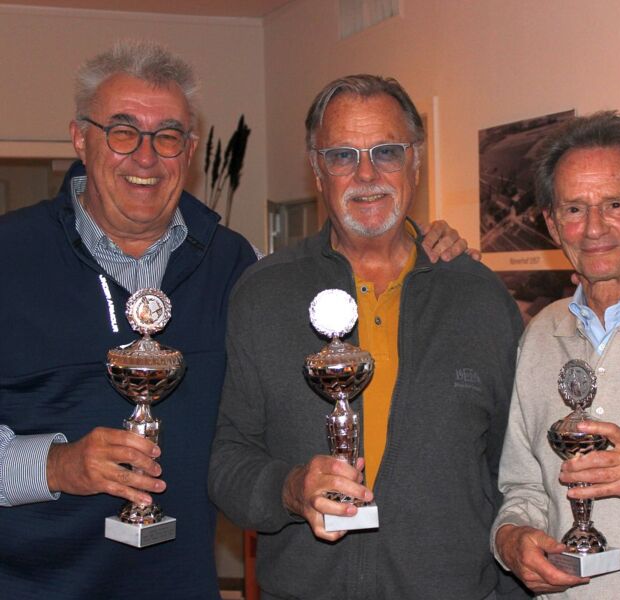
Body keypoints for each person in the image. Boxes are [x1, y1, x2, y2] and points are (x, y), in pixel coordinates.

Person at [0, 43, 471, 599]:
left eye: (167, 136)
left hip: (182, 585)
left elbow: (249, 432)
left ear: (190, 150)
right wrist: (54, 465)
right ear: (81, 138)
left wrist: (426, 244)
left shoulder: (235, 266)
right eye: (123, 132)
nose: (145, 158)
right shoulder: (10, 254)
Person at [208, 74, 526, 600]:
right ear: (317, 169)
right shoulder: (263, 295)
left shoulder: (478, 298)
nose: (366, 174)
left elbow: (516, 473)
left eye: (386, 152)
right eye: (342, 155)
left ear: (415, 162)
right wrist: (289, 489)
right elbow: (227, 458)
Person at [491, 111, 620, 598]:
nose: (593, 228)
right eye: (573, 209)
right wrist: (511, 539)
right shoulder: (540, 334)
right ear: (551, 224)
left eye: (615, 204)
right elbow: (523, 486)